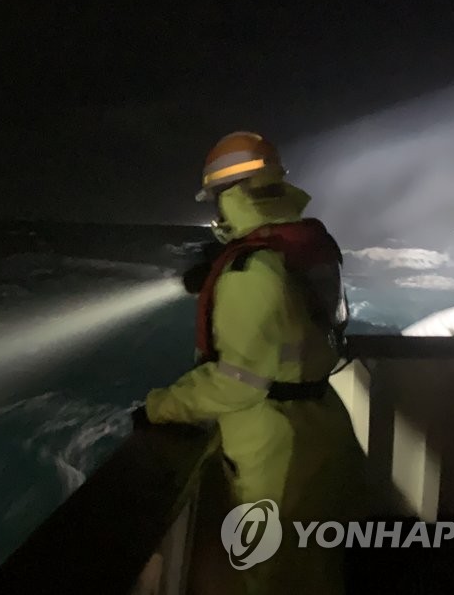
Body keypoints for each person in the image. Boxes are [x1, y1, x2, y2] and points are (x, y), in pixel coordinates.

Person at [136, 131, 369, 594]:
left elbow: (238, 382)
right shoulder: (295, 248)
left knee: (274, 579)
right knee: (315, 575)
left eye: (216, 200)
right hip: (320, 428)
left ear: (229, 195)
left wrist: (159, 407)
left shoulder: (252, 270)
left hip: (276, 450)